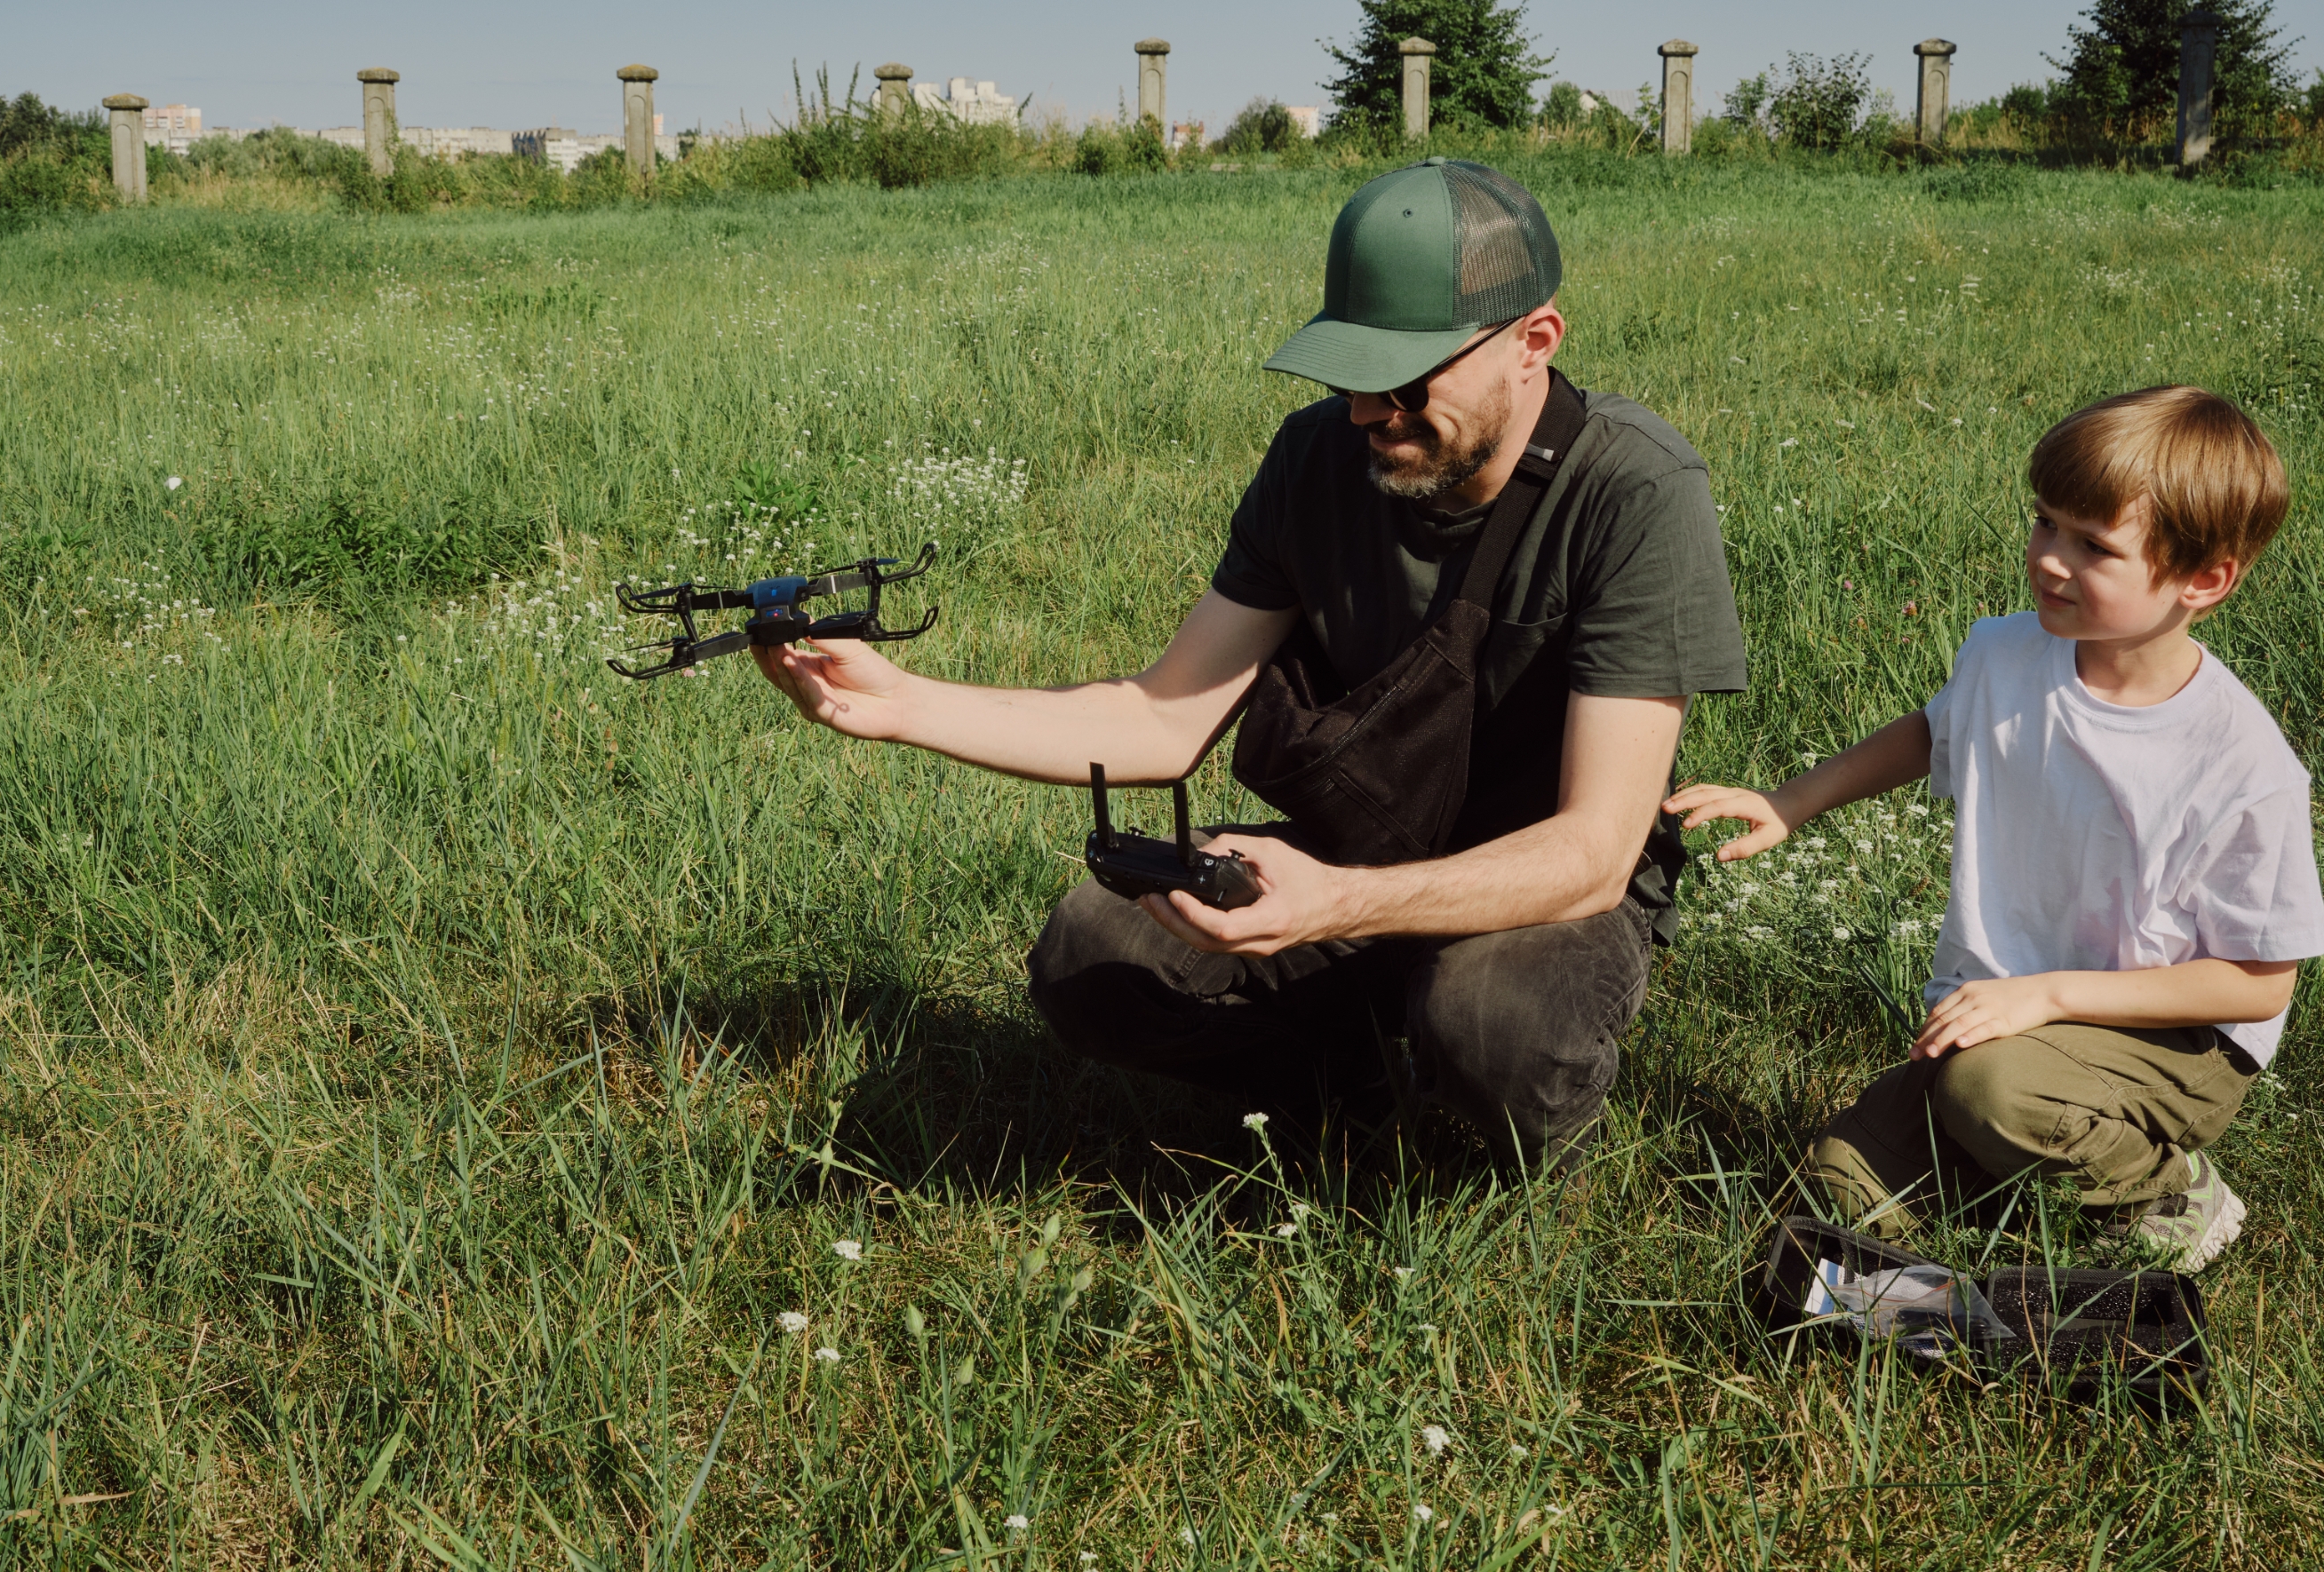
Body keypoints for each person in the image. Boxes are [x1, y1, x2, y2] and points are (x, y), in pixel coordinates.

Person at [760, 159, 1746, 1169]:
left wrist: (1340, 903)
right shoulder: (1318, 460)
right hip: (1353, 855)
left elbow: (1592, 852)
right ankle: (1346, 1095)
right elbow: (1161, 717)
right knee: (1092, 951)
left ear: (1533, 343)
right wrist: (902, 702)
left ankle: (1509, 1135)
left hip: (1544, 892)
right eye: (1347, 375)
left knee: (1491, 1022)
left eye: (1404, 380)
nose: (1368, 414)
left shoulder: (1634, 488)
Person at [1667, 386, 2319, 1271]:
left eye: (2095, 546)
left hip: (2171, 1044)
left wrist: (2045, 995)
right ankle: (2009, 1183)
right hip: (2012, 1025)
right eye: (2045, 523)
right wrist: (1792, 802)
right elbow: (1938, 730)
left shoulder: (2238, 762)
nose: (2050, 559)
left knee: (1990, 1091)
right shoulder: (2008, 654)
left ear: (2204, 580)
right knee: (1838, 1189)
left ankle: (2166, 1190)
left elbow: (2257, 985)